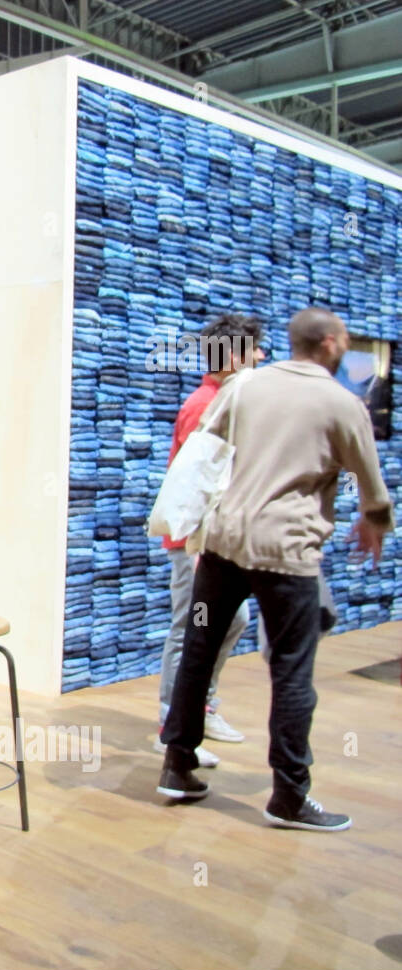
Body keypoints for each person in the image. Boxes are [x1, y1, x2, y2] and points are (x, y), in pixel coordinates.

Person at [158, 308, 394, 830]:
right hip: (286, 554)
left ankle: (178, 764)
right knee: (291, 669)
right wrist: (376, 520)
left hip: (222, 547)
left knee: (198, 648)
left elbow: (204, 453)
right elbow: (371, 483)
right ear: (331, 344)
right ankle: (288, 794)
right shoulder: (343, 403)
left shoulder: (244, 389)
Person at [154, 313, 265, 767]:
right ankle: (172, 722)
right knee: (189, 628)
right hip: (195, 544)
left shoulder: (228, 400)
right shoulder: (207, 405)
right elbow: (197, 481)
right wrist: (196, 547)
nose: (262, 356)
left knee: (231, 620)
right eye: (256, 350)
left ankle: (201, 707)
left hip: (213, 542)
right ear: (235, 355)